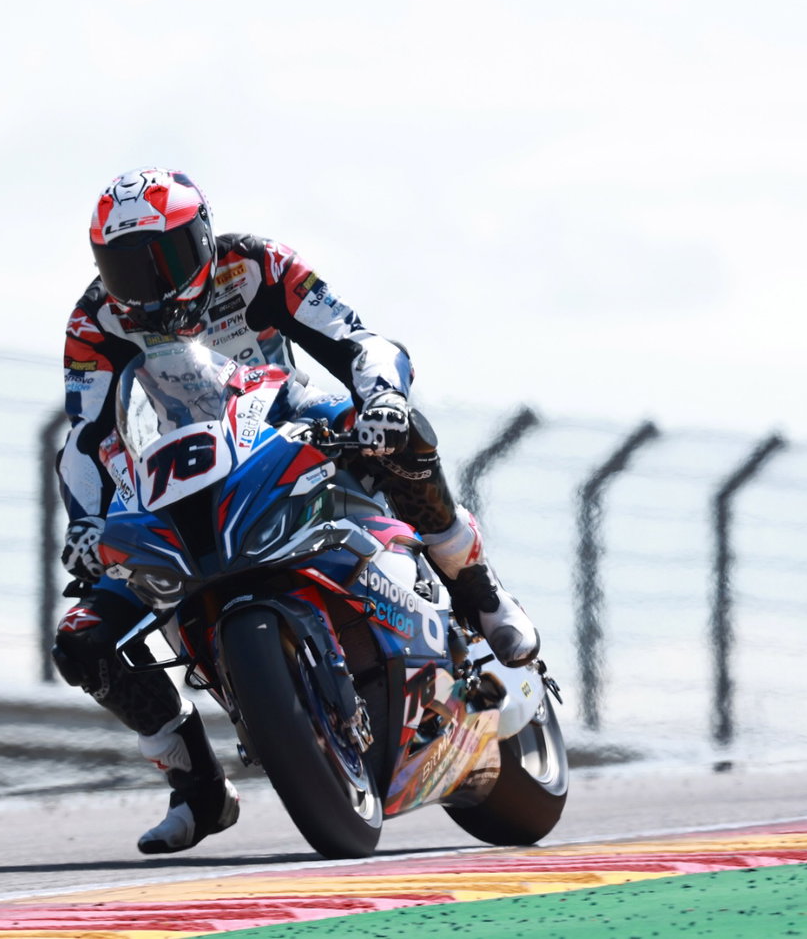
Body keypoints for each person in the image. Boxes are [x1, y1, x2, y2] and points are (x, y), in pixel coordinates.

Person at [52, 167, 540, 854]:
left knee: (400, 433)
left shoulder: (254, 264)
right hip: (171, 487)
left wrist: (381, 397)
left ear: (202, 237)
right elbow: (84, 438)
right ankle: (198, 788)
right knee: (81, 639)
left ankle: (478, 591)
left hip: (283, 428)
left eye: (165, 258)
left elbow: (357, 338)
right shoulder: (95, 319)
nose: (151, 283)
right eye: (126, 266)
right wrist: (86, 524)